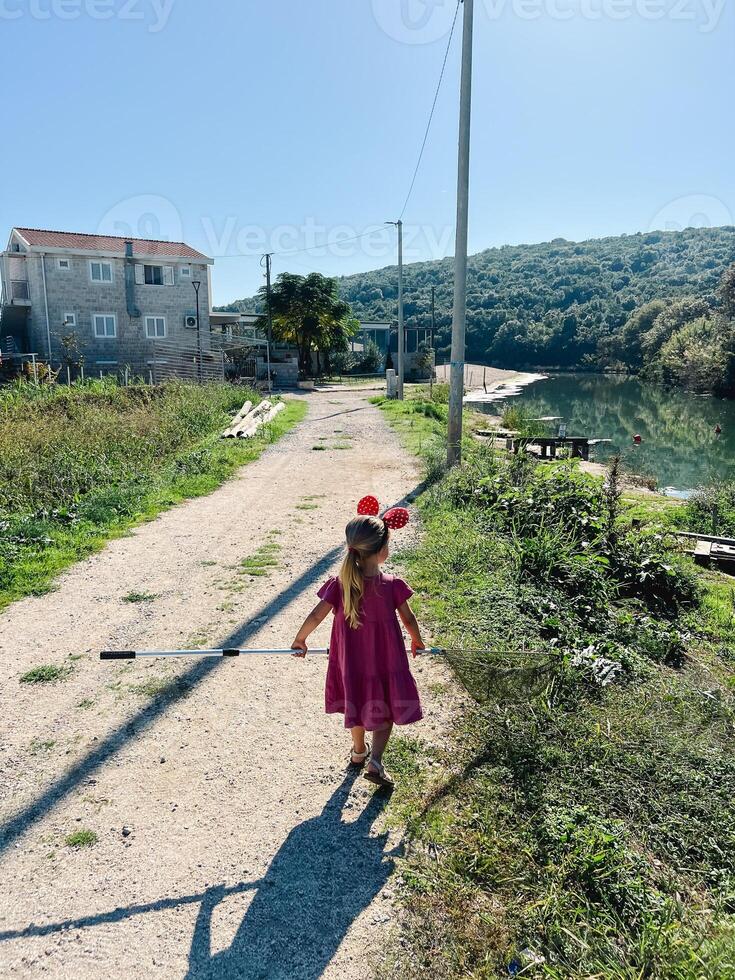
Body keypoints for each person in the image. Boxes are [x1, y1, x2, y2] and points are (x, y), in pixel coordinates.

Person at [291, 506, 425, 789]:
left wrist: (300, 639)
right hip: (386, 661)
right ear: (382, 550)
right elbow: (409, 618)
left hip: (351, 665)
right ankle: (375, 760)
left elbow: (316, 615)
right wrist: (417, 639)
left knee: (357, 703)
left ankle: (358, 752)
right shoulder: (391, 585)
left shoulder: (340, 585)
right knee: (384, 710)